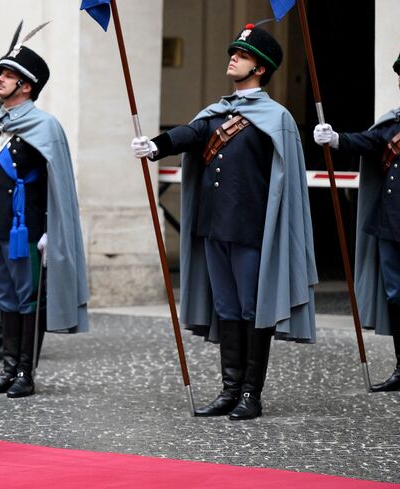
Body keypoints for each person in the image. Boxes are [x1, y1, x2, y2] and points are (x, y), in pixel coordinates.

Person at [131, 23, 317, 420]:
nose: (232, 58)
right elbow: (192, 132)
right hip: (213, 227)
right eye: (233, 52)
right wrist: (156, 145)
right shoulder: (217, 112)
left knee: (253, 309)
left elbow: (285, 182)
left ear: (261, 69)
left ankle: (251, 393)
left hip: (251, 230)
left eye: (243, 55)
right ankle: (229, 389)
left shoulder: (276, 117)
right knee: (227, 309)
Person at [0, 25, 89, 398]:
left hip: (24, 231)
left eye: (7, 76)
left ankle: (25, 371)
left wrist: (47, 231)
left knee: (27, 299)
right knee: (5, 298)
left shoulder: (45, 126)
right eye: (0, 74)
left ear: (26, 86)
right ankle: (8, 368)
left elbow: (54, 184)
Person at [313, 31, 400, 395]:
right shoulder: (393, 119)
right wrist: (335, 138)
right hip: (389, 224)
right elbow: (367, 142)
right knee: (397, 296)